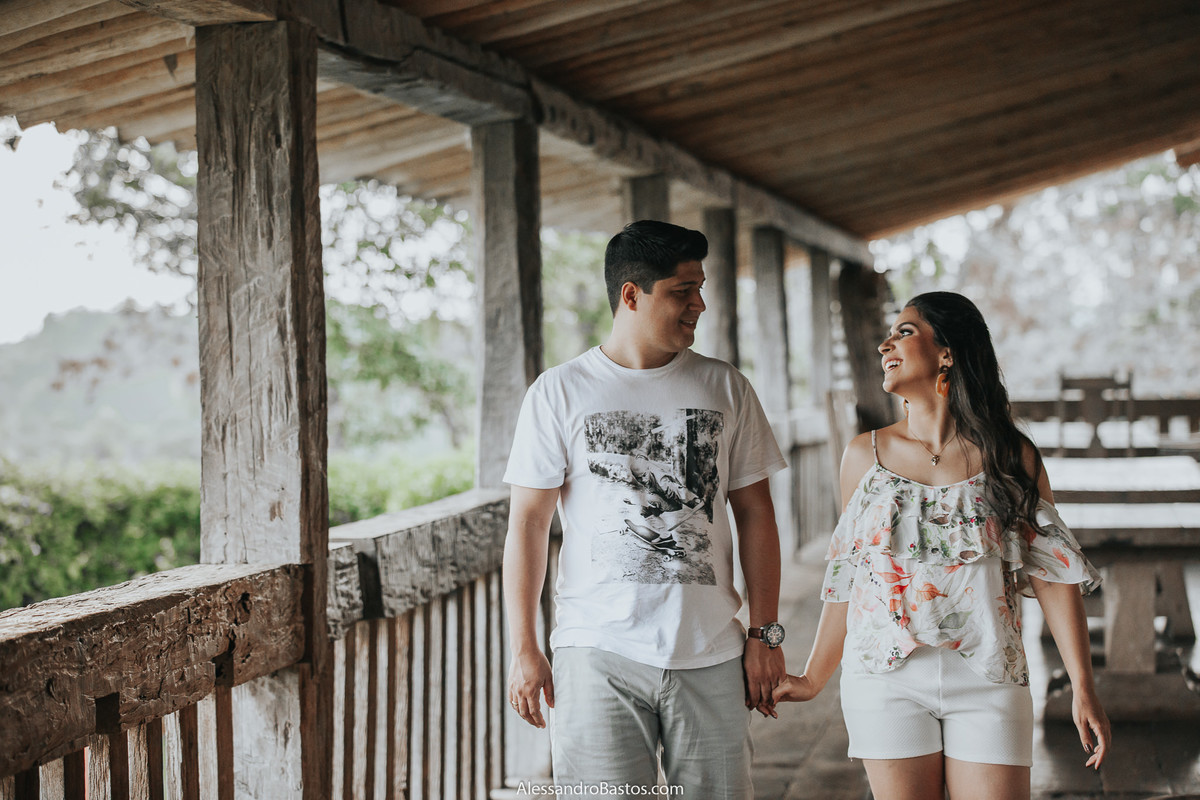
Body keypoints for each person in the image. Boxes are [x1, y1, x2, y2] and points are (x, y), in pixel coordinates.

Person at [773, 292, 1110, 800]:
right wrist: (813, 677)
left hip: (992, 676)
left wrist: (1082, 684)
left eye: (904, 332)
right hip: (885, 682)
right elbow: (849, 578)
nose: (886, 344)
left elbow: (1052, 572)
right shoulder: (863, 456)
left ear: (947, 352)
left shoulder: (1009, 455)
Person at [502, 220, 788, 798]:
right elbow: (529, 525)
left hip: (710, 650)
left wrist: (766, 632)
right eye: (683, 291)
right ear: (631, 294)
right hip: (596, 652)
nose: (699, 305)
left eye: (700, 289)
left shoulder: (725, 387)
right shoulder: (559, 392)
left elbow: (757, 515)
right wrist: (526, 647)